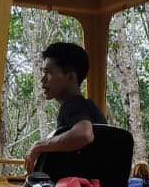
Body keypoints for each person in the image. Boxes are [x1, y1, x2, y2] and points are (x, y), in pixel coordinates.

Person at [24, 41, 106, 177]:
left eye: (48, 73)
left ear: (71, 77)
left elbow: (84, 134)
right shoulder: (91, 109)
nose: (42, 80)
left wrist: (39, 145)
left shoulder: (73, 104)